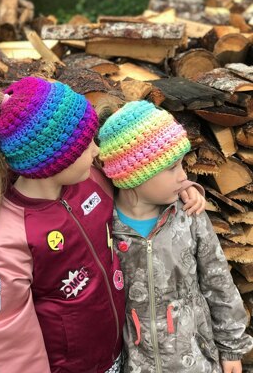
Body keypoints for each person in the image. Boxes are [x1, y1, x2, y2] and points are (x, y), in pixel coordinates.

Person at [0, 77, 205, 373]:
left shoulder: (91, 181)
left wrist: (182, 190)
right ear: (55, 160)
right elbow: (4, 331)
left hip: (123, 350)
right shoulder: (5, 240)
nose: (97, 151)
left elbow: (143, 186)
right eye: (86, 145)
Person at [98, 100, 253, 373]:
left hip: (196, 361)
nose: (184, 176)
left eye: (182, 165)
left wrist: (231, 348)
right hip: (136, 364)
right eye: (172, 168)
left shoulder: (189, 215)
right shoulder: (104, 225)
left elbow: (219, 283)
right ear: (134, 175)